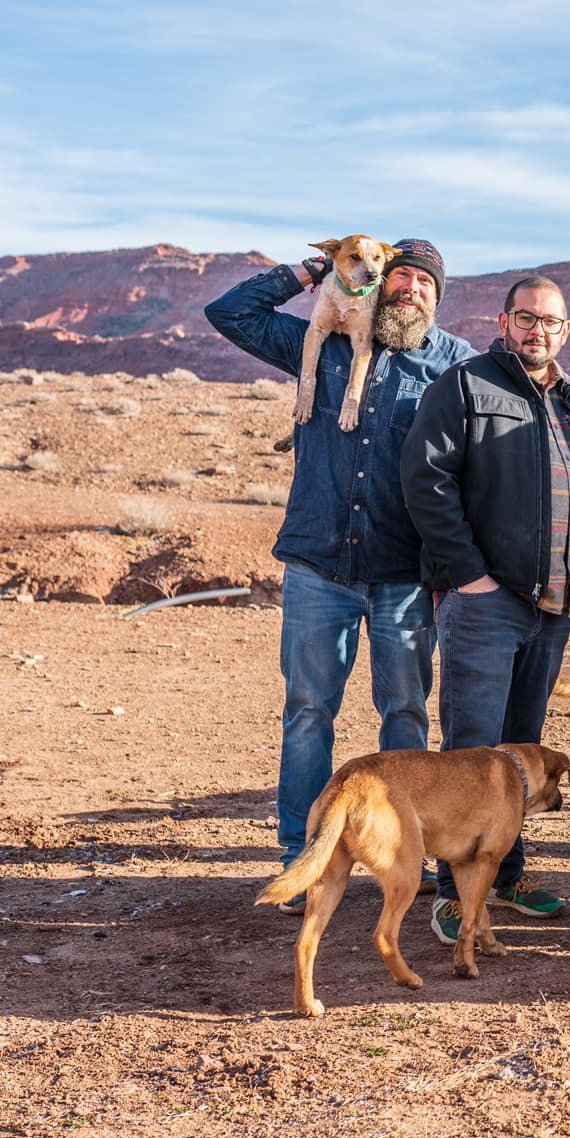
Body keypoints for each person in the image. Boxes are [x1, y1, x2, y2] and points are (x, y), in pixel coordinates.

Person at [205, 239, 471, 912]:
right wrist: (312, 270)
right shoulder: (319, 341)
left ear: (438, 298)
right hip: (320, 563)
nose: (408, 289)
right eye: (398, 276)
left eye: (423, 282)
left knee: (406, 715)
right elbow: (229, 312)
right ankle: (304, 857)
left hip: (406, 573)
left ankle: (402, 850)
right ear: (376, 281)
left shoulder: (456, 365)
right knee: (307, 713)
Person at [401, 275, 570, 946]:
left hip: (551, 607)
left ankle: (507, 873)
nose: (536, 330)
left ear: (567, 330)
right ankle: (455, 896)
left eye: (550, 321)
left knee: (522, 757)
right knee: (469, 756)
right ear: (504, 320)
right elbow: (424, 478)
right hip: (487, 604)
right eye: (525, 318)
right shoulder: (467, 386)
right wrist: (469, 575)